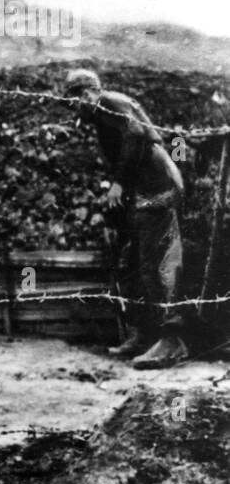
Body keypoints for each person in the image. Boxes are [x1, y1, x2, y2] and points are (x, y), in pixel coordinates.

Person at [65, 68, 188, 369]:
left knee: (154, 263)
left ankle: (172, 341)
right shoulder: (104, 116)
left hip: (158, 189)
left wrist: (118, 183)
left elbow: (136, 135)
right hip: (143, 192)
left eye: (75, 99)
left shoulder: (109, 101)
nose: (74, 108)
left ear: (87, 93)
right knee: (133, 265)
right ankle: (145, 335)